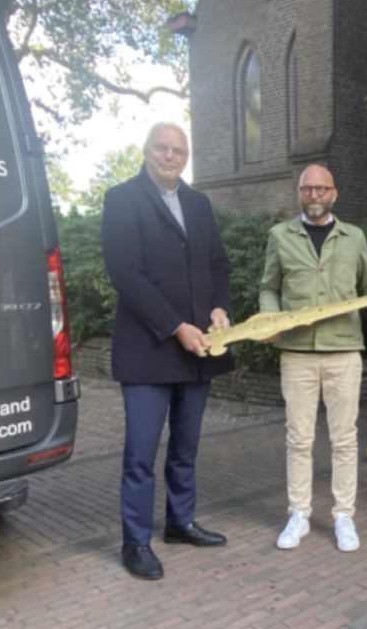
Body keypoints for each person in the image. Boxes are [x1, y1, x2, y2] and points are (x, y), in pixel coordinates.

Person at [100, 122, 235, 581]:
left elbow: (218, 263)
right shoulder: (121, 199)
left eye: (178, 149)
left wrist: (219, 308)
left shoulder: (198, 203)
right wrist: (177, 326)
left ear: (186, 155)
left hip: (198, 350)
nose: (169, 155)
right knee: (141, 453)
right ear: (145, 151)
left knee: (186, 446)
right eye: (161, 148)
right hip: (148, 349)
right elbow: (126, 274)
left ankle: (180, 523)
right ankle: (135, 541)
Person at [259, 164, 367, 552]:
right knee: (299, 439)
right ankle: (298, 513)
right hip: (296, 352)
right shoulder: (280, 236)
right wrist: (269, 318)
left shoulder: (354, 237)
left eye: (321, 189)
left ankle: (343, 515)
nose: (314, 195)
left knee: (344, 439)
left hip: (343, 350)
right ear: (299, 193)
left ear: (334, 193)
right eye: (307, 189)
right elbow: (269, 286)